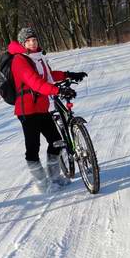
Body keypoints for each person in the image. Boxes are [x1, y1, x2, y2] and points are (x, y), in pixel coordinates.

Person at [7, 27, 87, 191]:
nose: (32, 42)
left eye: (34, 39)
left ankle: (55, 177)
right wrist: (58, 90)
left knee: (56, 142)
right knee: (32, 148)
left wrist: (69, 74)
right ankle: (42, 184)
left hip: (41, 107)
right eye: (28, 41)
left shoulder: (38, 58)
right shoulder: (19, 60)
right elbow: (35, 82)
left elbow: (49, 75)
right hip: (26, 111)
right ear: (23, 44)